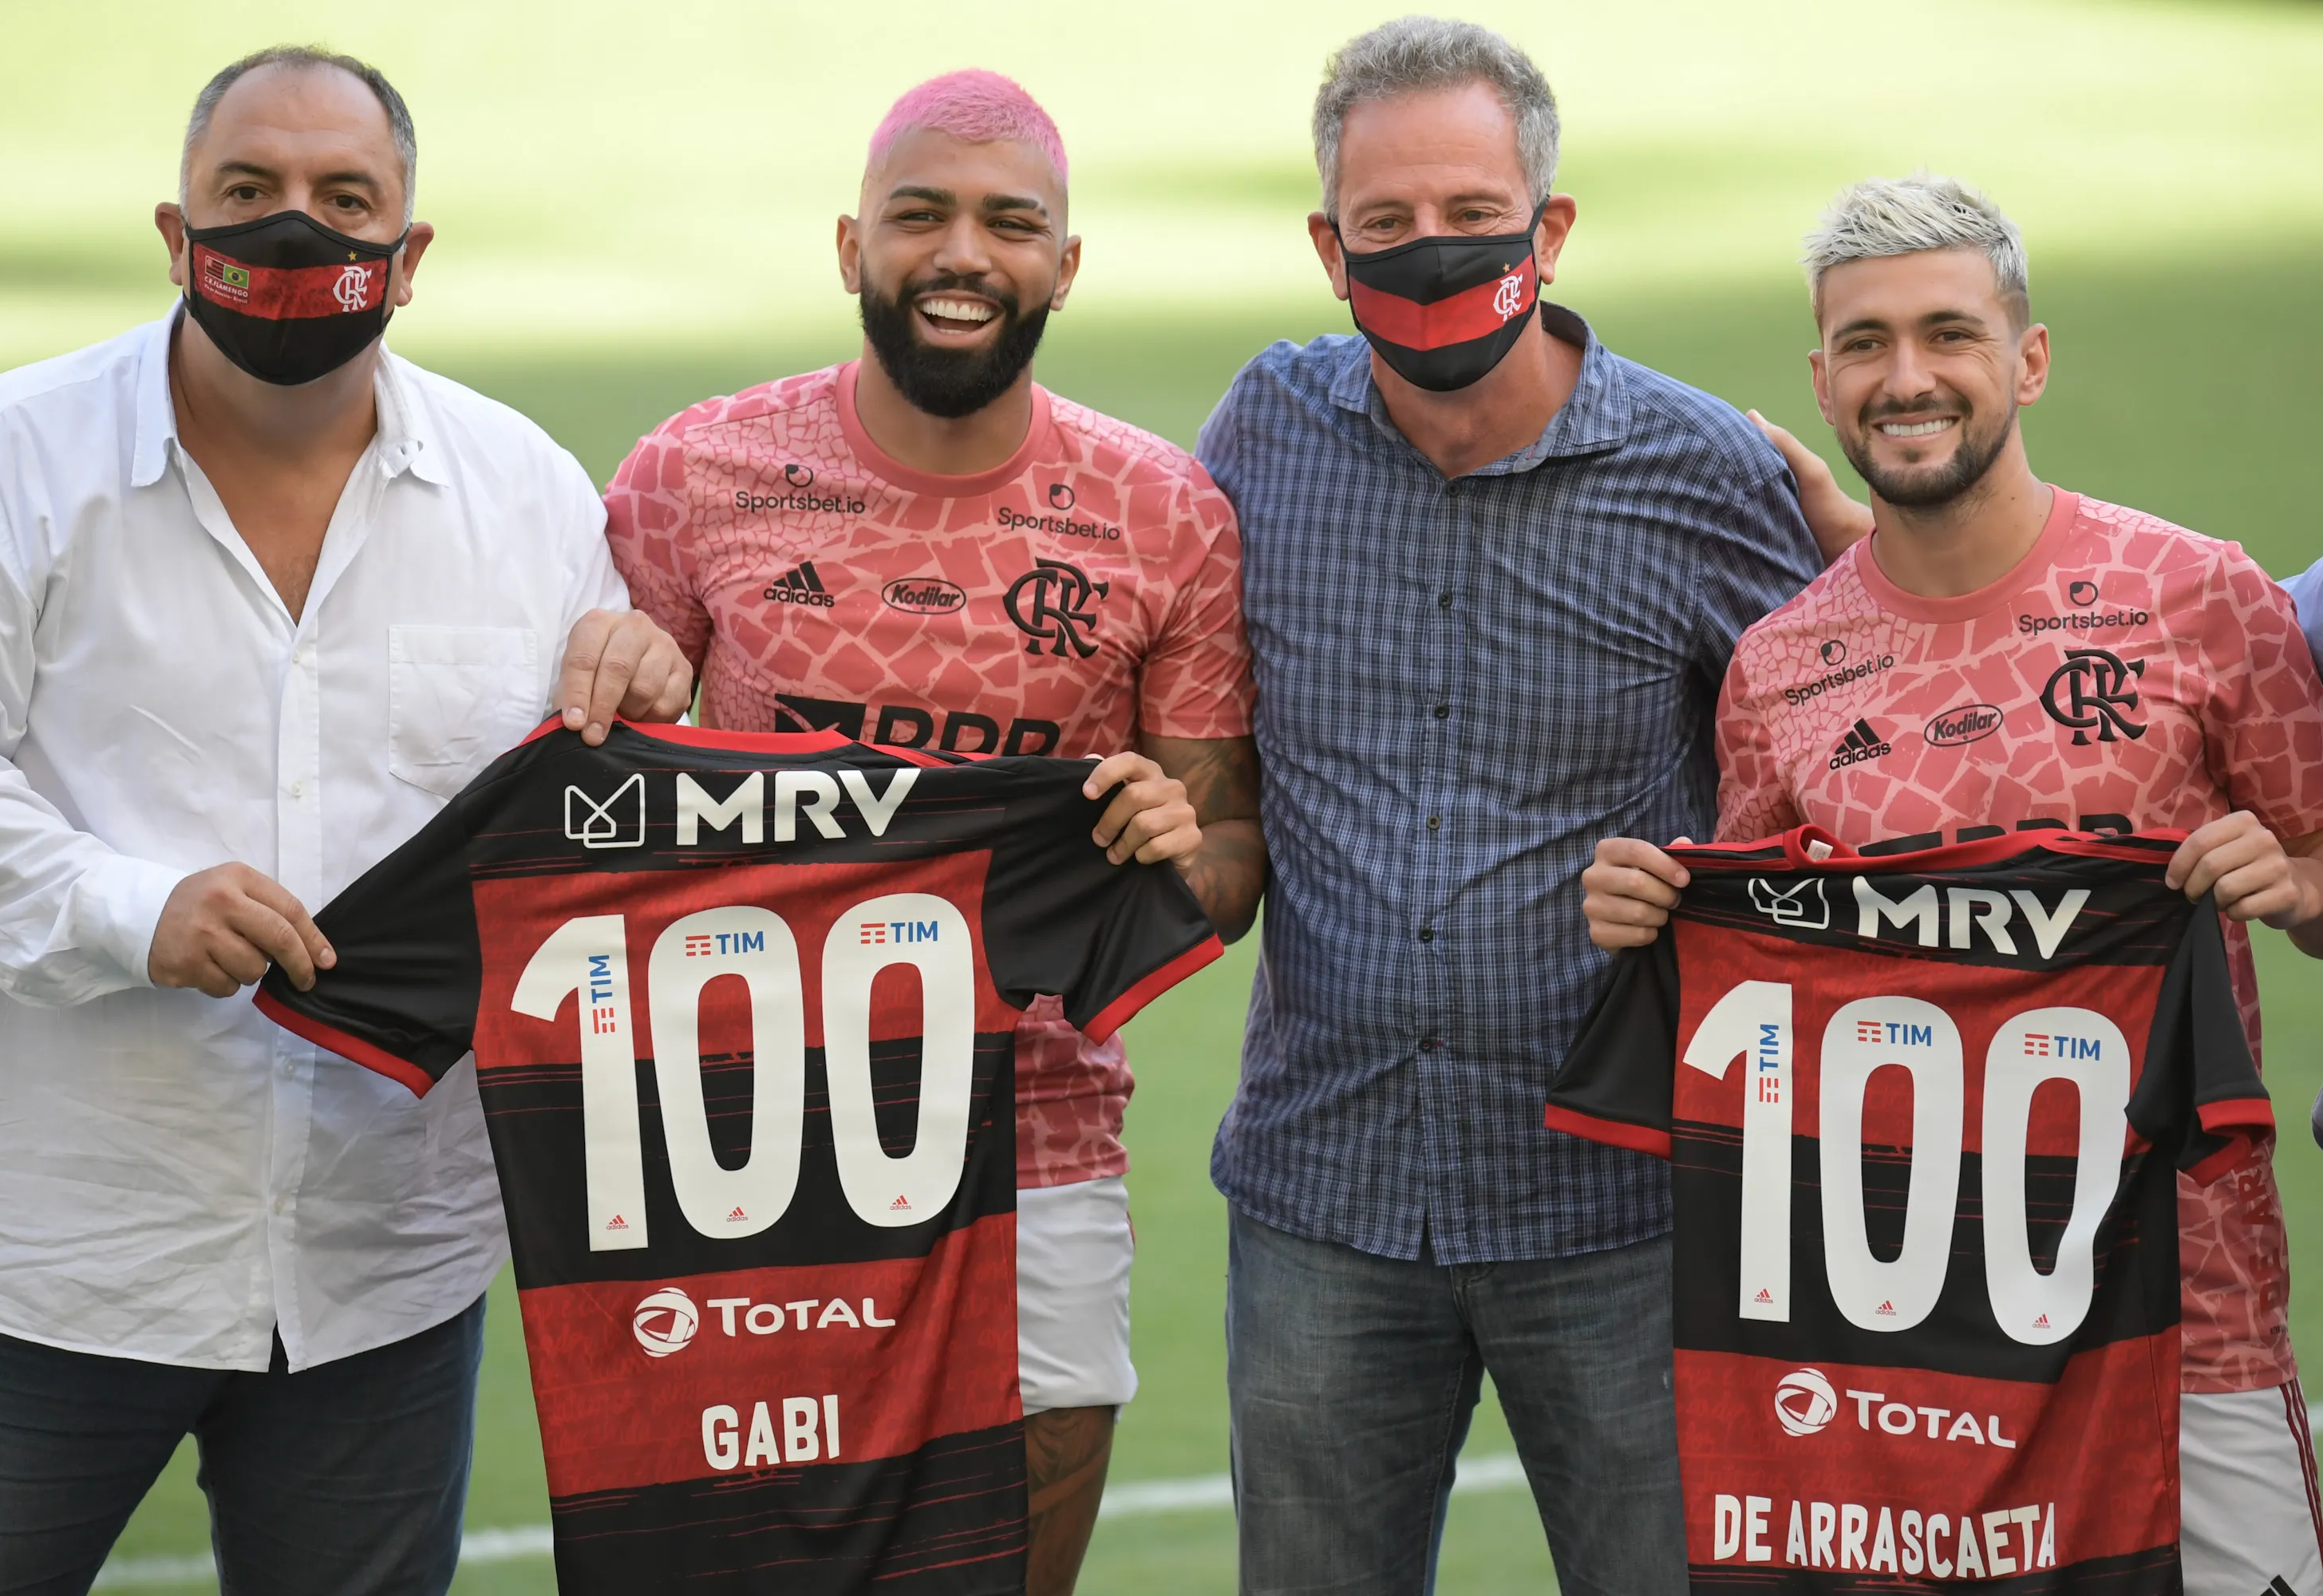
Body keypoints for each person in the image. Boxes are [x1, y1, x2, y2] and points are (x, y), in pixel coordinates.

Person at [0, 47, 692, 1590]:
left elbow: (590, 805)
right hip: (50, 1253)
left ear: (408, 259)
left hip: (380, 1268)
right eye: (249, 194)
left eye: (346, 201)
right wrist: (127, 907)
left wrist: (648, 675)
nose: (296, 231)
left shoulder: (527, 496)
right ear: (175, 232)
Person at [1582, 172, 2323, 1596]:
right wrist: (1658, 925)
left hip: (2192, 1327)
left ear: (2027, 359)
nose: (1904, 378)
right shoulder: (1779, 670)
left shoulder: (2204, 598)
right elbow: (1768, 994)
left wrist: (2287, 876)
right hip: (1902, 1359)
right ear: (1821, 376)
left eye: (1947, 334)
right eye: (1864, 345)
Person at [1190, 18, 1858, 1593]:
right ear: (1325, 244)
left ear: (1549, 227)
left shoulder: (1698, 468)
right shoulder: (1261, 436)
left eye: (1473, 217)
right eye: (1387, 226)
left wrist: (1850, 558)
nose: (1432, 253)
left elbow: (1868, 742)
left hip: (1621, 1210)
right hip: (1323, 1199)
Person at [602, 70, 1263, 1594]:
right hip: (733, 1142)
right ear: (851, 245)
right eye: (921, 215)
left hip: (1033, 1141)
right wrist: (614, 672)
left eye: (1009, 222)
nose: (963, 252)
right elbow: (582, 801)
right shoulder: (694, 476)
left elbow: (1227, 871)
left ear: (1066, 265)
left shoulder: (1166, 517)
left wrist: (1180, 846)